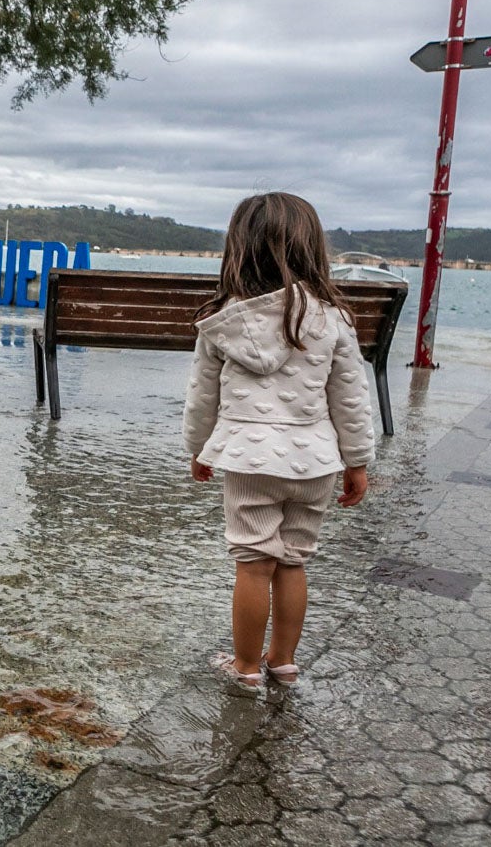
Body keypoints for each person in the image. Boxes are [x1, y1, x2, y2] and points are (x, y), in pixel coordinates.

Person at [183, 192, 374, 694]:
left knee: (253, 561)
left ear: (239, 247)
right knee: (293, 560)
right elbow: (351, 398)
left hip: (249, 458)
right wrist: (358, 461)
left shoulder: (224, 320)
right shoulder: (333, 318)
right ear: (312, 247)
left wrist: (199, 447)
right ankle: (283, 663)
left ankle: (245, 668)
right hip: (315, 462)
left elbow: (202, 395)